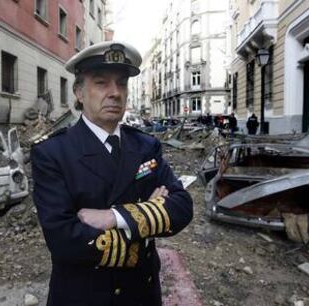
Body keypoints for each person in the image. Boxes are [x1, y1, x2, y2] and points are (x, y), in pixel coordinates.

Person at [31, 41, 193, 306]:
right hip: (84, 297)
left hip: (142, 294)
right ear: (79, 93)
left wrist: (115, 217)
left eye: (122, 83)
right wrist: (146, 227)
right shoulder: (53, 153)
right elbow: (64, 241)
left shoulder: (145, 146)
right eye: (101, 82)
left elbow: (182, 207)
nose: (115, 93)